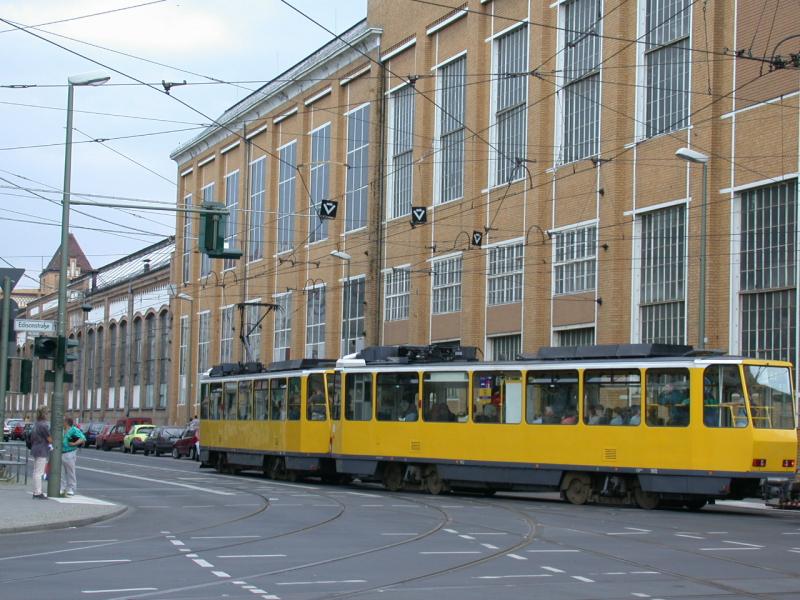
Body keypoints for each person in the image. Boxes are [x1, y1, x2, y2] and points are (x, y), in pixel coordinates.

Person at [30, 408, 52, 500]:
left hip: (35, 448)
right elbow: (49, 438)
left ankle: (35, 491)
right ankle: (38, 492)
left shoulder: (36, 424)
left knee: (36, 471)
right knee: (39, 472)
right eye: (47, 413)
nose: (48, 414)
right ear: (44, 414)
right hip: (42, 449)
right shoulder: (44, 425)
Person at [61, 417, 86, 497]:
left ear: (67, 422)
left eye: (63, 421)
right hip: (61, 452)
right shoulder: (61, 430)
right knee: (61, 472)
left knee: (70, 471)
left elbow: (83, 438)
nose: (62, 422)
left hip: (70, 452)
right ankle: (62, 487)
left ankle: (71, 488)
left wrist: (74, 444)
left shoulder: (74, 430)